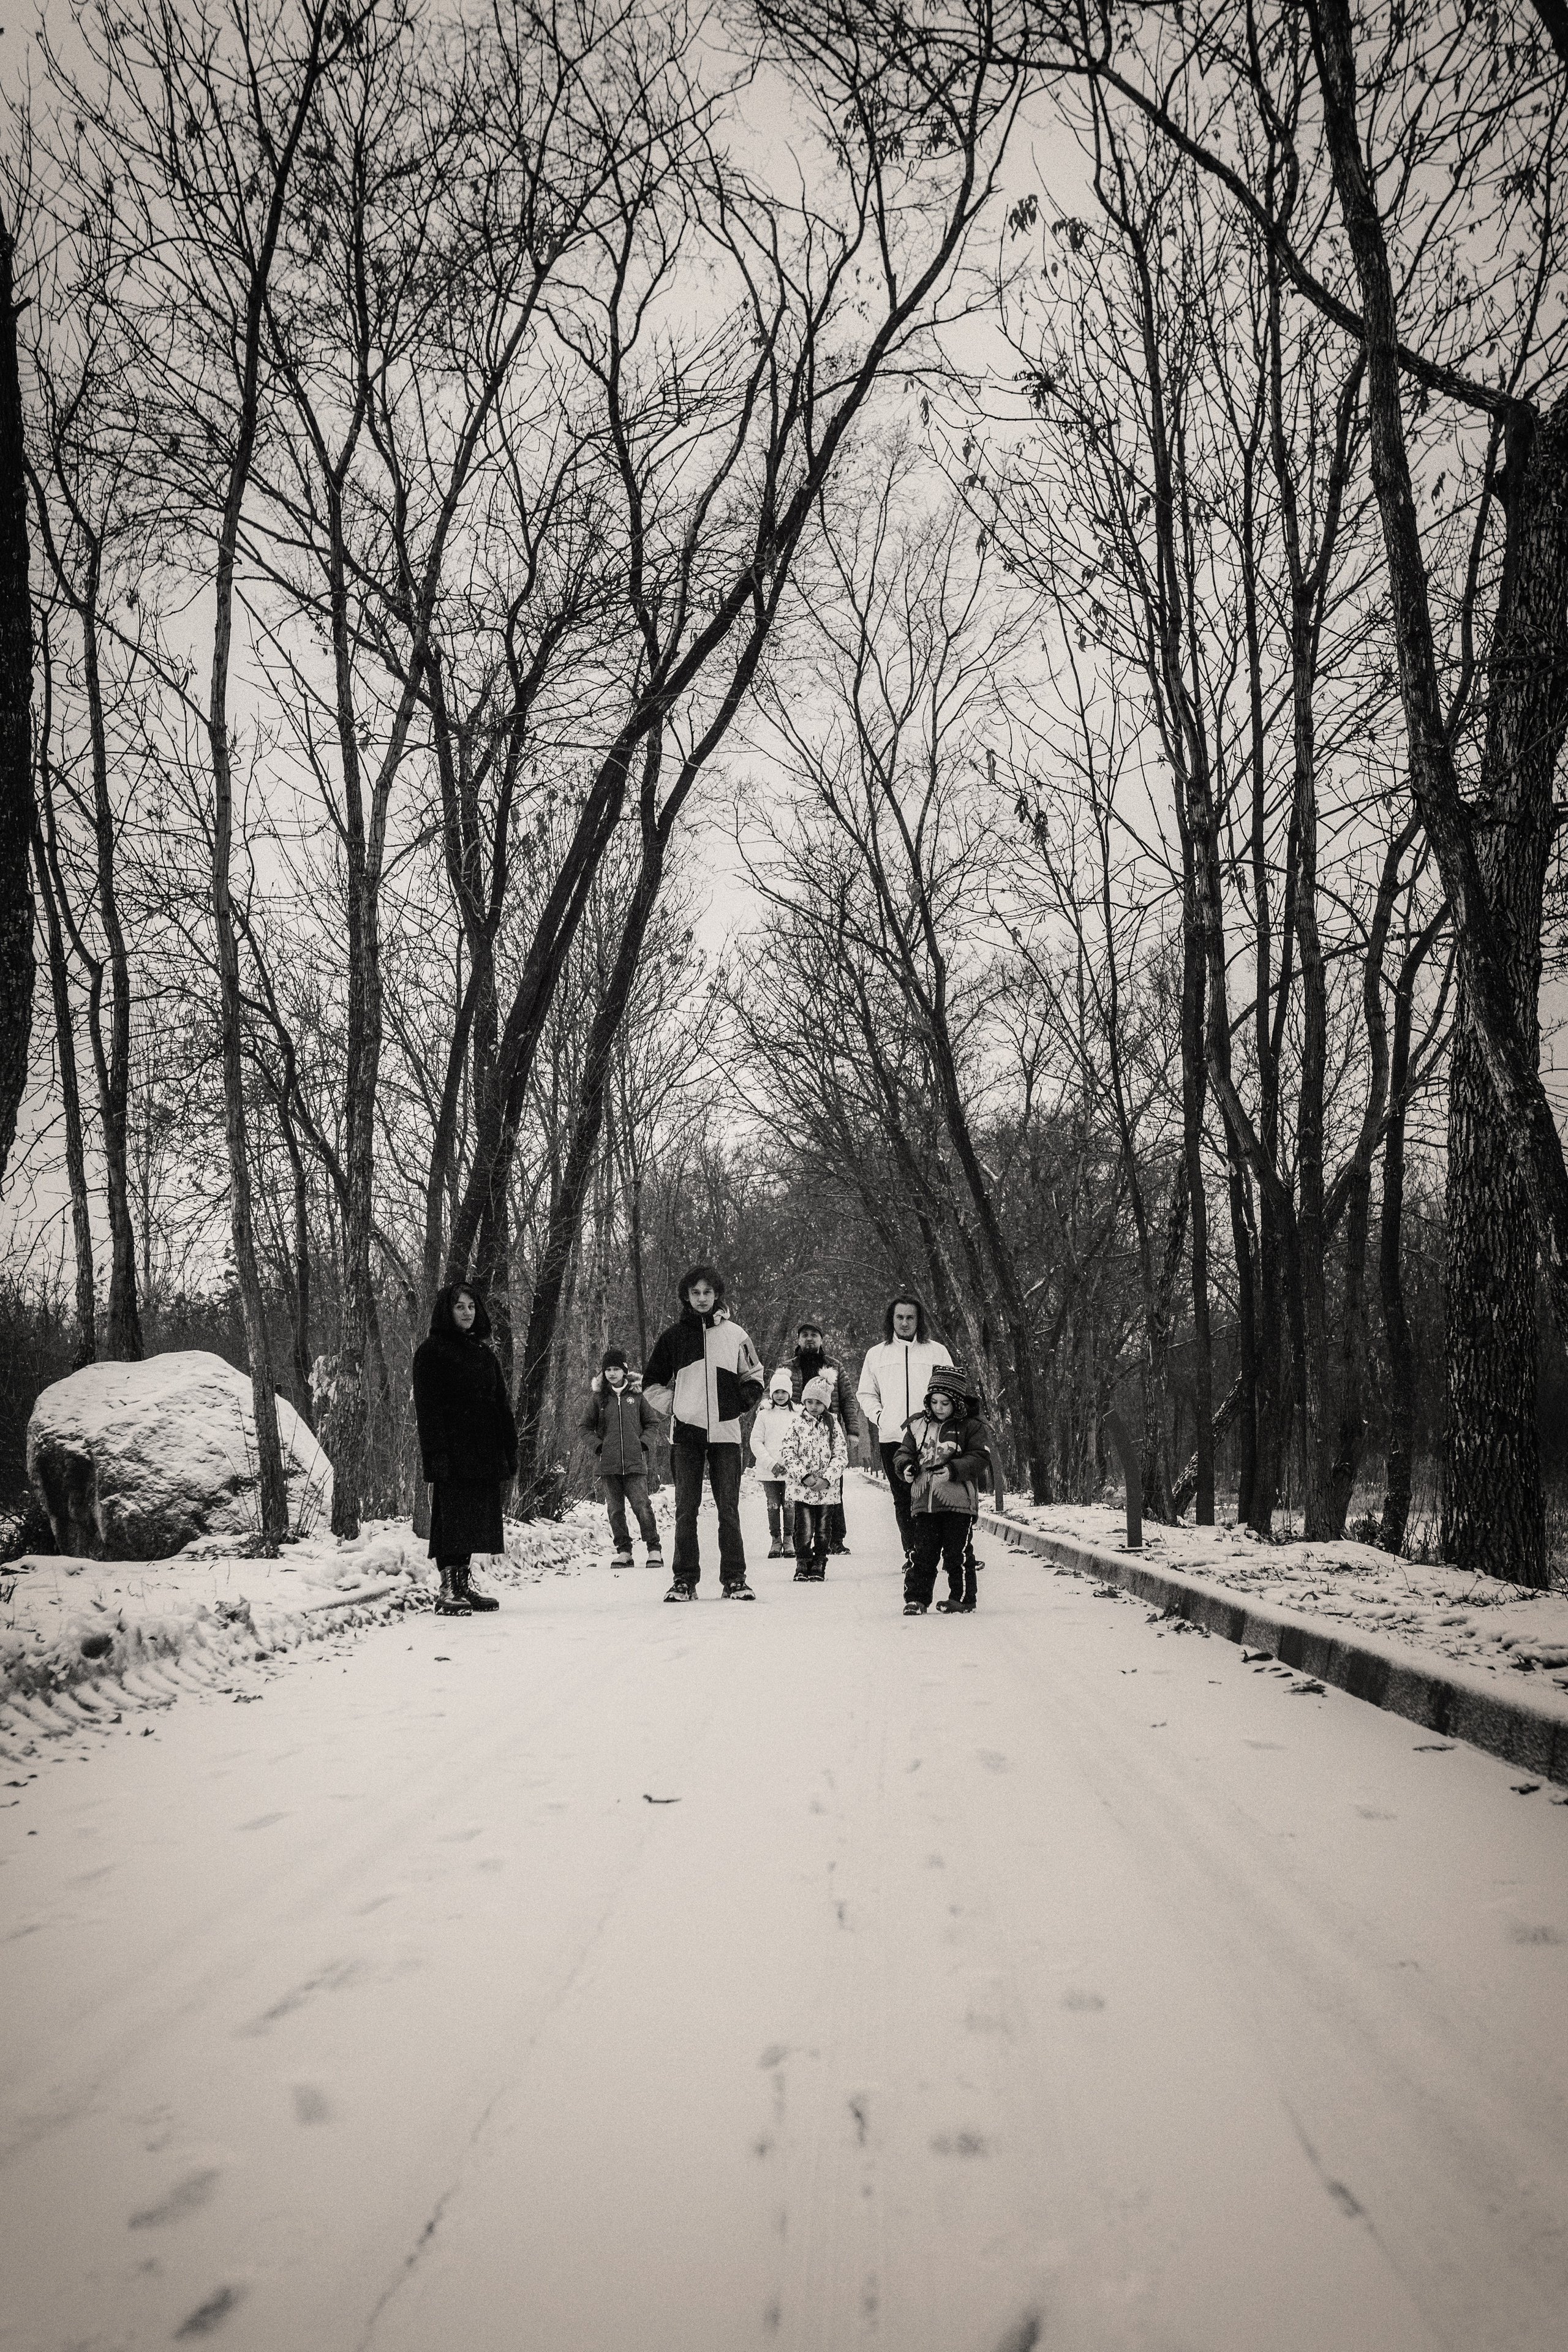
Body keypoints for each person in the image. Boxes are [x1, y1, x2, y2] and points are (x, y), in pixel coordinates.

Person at [642, 1262, 765, 1600]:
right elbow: (651, 1383)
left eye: (707, 1292)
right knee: (686, 1509)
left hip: (726, 1436)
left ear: (717, 1295)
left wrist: (738, 1404)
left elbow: (754, 1375)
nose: (701, 1298)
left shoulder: (736, 1335)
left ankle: (735, 1579)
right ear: (686, 1296)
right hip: (686, 1437)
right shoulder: (673, 1337)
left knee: (729, 1508)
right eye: (695, 1293)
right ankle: (684, 1580)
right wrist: (677, 1406)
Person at [412, 1283, 517, 1617]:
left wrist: (509, 1449)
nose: (467, 1313)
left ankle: (463, 1584)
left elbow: (501, 1405)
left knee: (475, 1518)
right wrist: (436, 1455)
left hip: (485, 1449)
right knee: (453, 1518)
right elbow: (428, 1410)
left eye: (472, 1306)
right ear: (447, 1311)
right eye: (460, 1307)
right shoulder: (432, 1352)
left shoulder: (484, 1353)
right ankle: (448, 1589)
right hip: (453, 1451)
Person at [856, 1294, 954, 1566]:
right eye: (900, 1317)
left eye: (911, 1317)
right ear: (892, 1320)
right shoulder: (876, 1354)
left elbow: (952, 1388)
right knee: (903, 1498)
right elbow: (865, 1393)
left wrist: (942, 1421)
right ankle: (913, 1553)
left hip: (934, 1437)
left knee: (938, 1495)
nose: (905, 1322)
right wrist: (881, 1417)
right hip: (894, 1438)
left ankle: (947, 1553)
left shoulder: (937, 1351)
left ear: (919, 1320)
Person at [893, 1365, 996, 1615]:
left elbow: (979, 1456)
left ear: (957, 1403)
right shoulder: (918, 1426)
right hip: (924, 1502)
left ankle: (962, 1598)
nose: (939, 1408)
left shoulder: (971, 1427)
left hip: (957, 1502)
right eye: (934, 1402)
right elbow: (903, 1452)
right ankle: (917, 1599)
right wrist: (906, 1467)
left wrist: (953, 1469)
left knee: (956, 1552)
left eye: (945, 1403)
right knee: (922, 1553)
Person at [581, 1347, 665, 1571]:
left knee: (642, 1506)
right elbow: (585, 1427)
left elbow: (652, 1424)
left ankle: (653, 1548)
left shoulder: (637, 1396)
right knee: (615, 1510)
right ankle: (624, 1551)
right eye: (608, 1369)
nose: (612, 1373)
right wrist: (598, 1446)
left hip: (635, 1463)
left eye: (616, 1368)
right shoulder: (599, 1398)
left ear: (624, 1370)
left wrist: (643, 1444)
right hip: (608, 1465)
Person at [790, 1319, 860, 1552]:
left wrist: (853, 1431)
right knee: (801, 1489)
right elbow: (775, 1398)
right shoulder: (788, 1367)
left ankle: (836, 1540)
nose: (810, 1339)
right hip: (801, 1432)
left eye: (814, 1335)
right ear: (798, 1340)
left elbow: (849, 1399)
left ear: (821, 1339)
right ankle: (800, 1543)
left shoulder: (835, 1366)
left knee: (833, 1485)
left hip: (830, 1431)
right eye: (805, 1335)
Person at [776, 1374, 849, 1581]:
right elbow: (788, 1452)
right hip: (803, 1488)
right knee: (805, 1528)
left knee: (824, 1529)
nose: (814, 1406)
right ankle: (803, 1562)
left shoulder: (833, 1424)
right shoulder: (796, 1423)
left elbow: (841, 1454)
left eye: (819, 1402)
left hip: (827, 1489)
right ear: (804, 1402)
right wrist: (804, 1476)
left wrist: (827, 1478)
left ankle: (819, 1562)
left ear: (826, 1403)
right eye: (810, 1402)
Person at [748, 1369, 799, 1557]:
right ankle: (775, 1540)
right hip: (769, 1470)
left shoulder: (798, 1414)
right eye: (776, 1392)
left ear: (790, 1393)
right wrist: (771, 1464)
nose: (780, 1396)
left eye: (783, 1392)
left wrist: (790, 1463)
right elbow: (755, 1441)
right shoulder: (764, 1415)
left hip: (791, 1470)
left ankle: (789, 1539)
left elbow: (801, 1441)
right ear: (771, 1394)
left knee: (789, 1504)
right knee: (772, 1504)